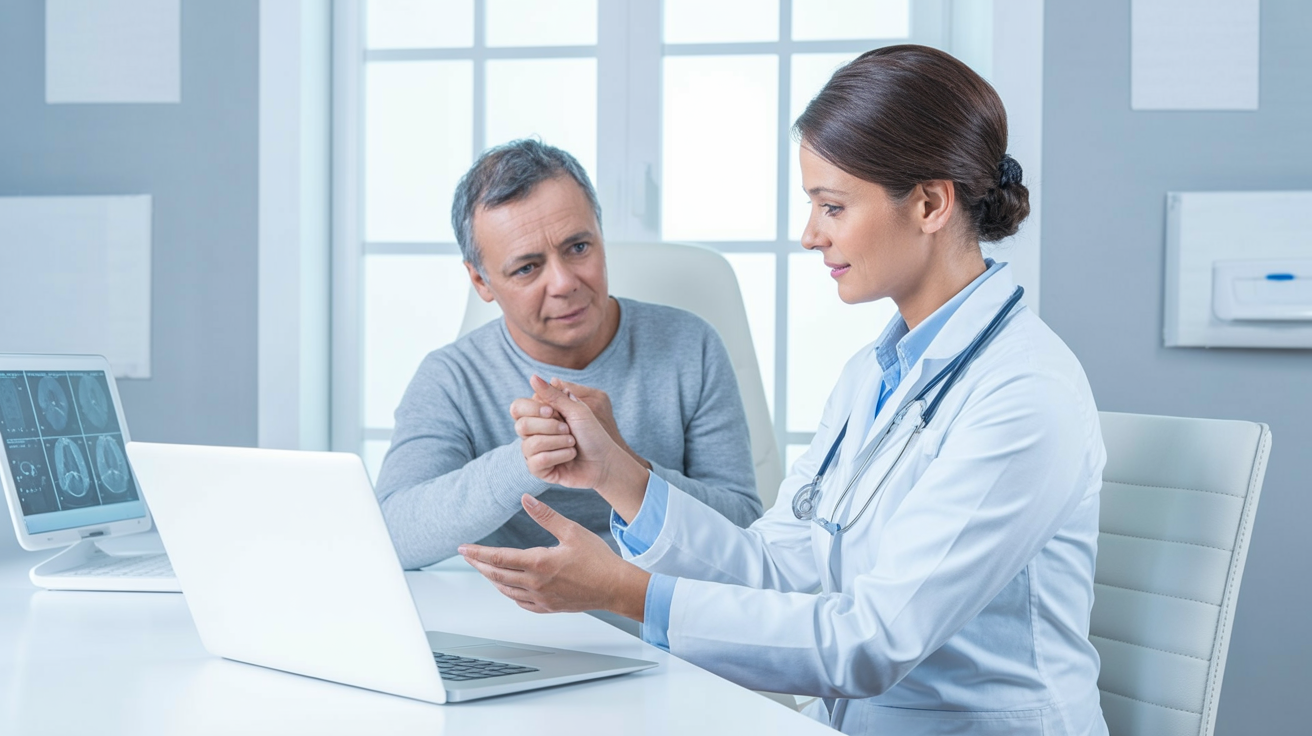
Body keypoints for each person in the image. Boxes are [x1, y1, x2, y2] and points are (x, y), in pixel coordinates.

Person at [458, 46, 1108, 735]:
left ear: (928, 203)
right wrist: (617, 475)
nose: (808, 235)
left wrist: (631, 594)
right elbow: (772, 562)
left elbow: (872, 639)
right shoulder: (873, 375)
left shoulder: (1024, 394)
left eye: (831, 206)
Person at [374, 139, 763, 571]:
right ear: (481, 282)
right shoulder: (450, 378)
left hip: (662, 605)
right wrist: (526, 461)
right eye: (527, 268)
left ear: (600, 233)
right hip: (514, 619)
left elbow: (744, 527)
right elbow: (392, 536)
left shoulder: (691, 345)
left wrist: (623, 465)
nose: (563, 282)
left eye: (578, 247)